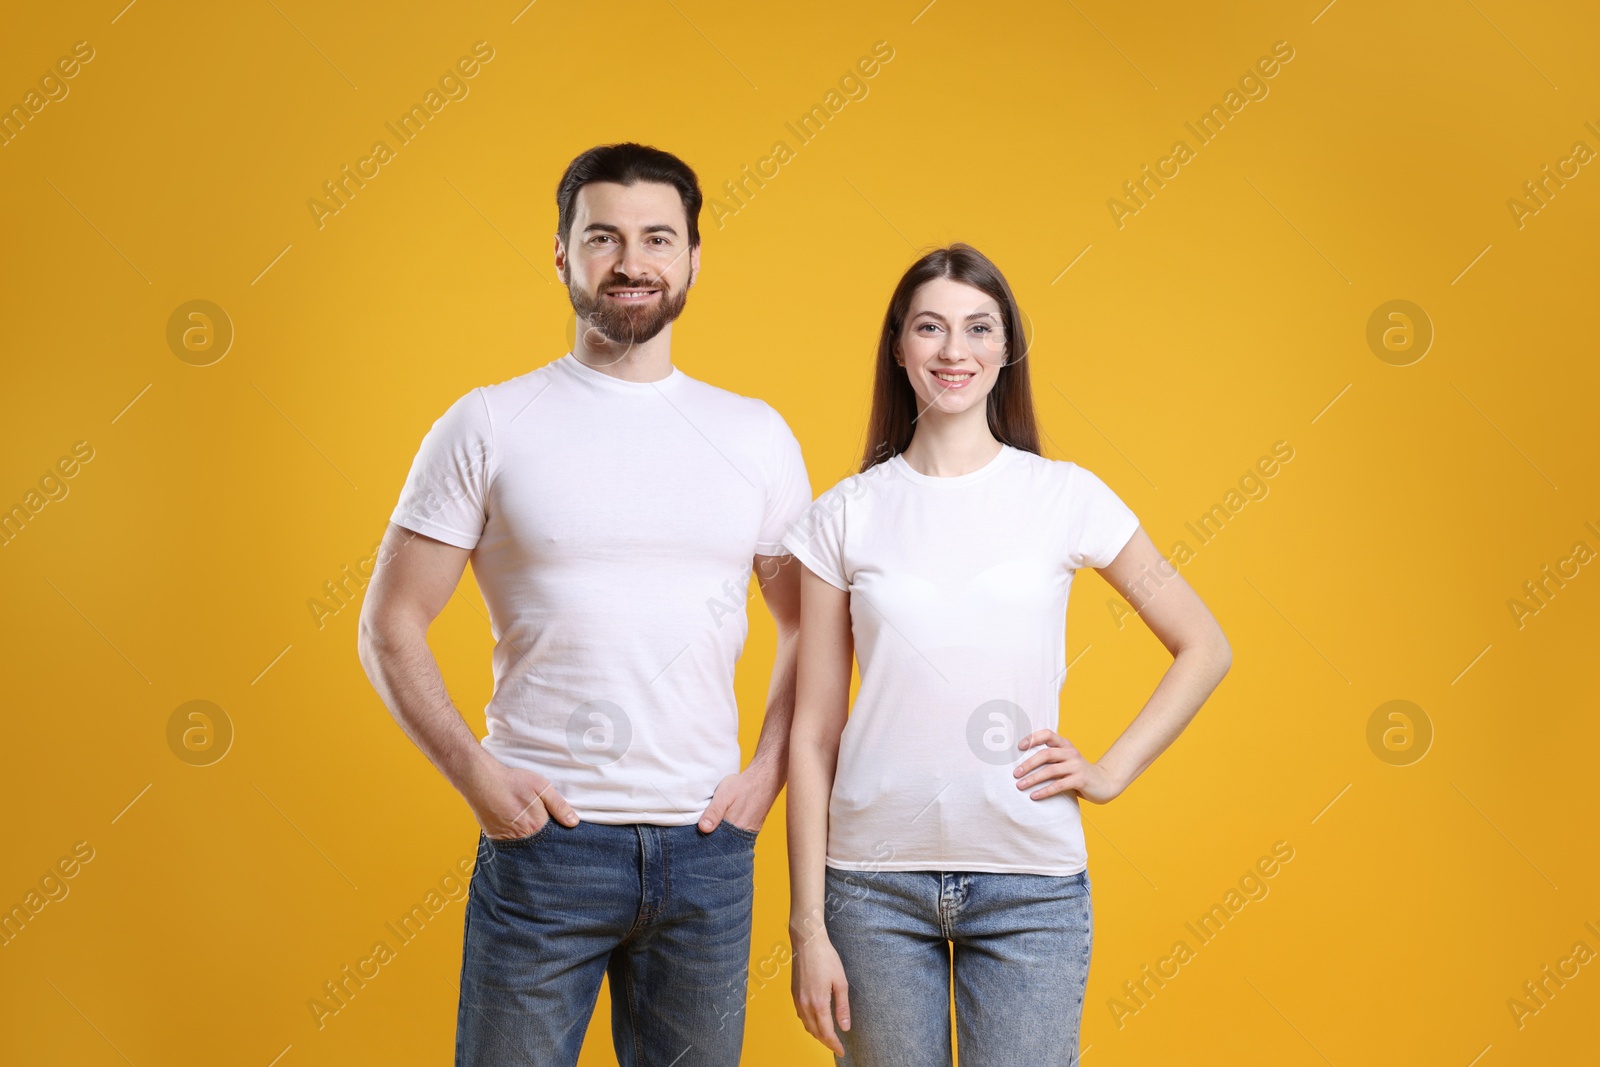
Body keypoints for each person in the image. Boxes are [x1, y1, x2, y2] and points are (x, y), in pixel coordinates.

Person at [357, 142, 811, 1067]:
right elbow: (388, 624)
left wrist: (768, 773)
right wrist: (480, 779)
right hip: (546, 848)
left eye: (657, 238)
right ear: (562, 253)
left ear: (691, 260)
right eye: (603, 236)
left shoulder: (755, 435)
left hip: (707, 849)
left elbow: (810, 625)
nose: (632, 262)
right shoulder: (487, 423)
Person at [782, 244, 1232, 1065]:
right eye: (931, 327)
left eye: (977, 328)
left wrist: (1111, 769)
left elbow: (1203, 643)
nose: (955, 351)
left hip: (1030, 886)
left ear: (1005, 347)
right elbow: (812, 737)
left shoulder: (1066, 496)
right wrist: (807, 925)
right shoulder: (843, 516)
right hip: (870, 888)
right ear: (899, 346)